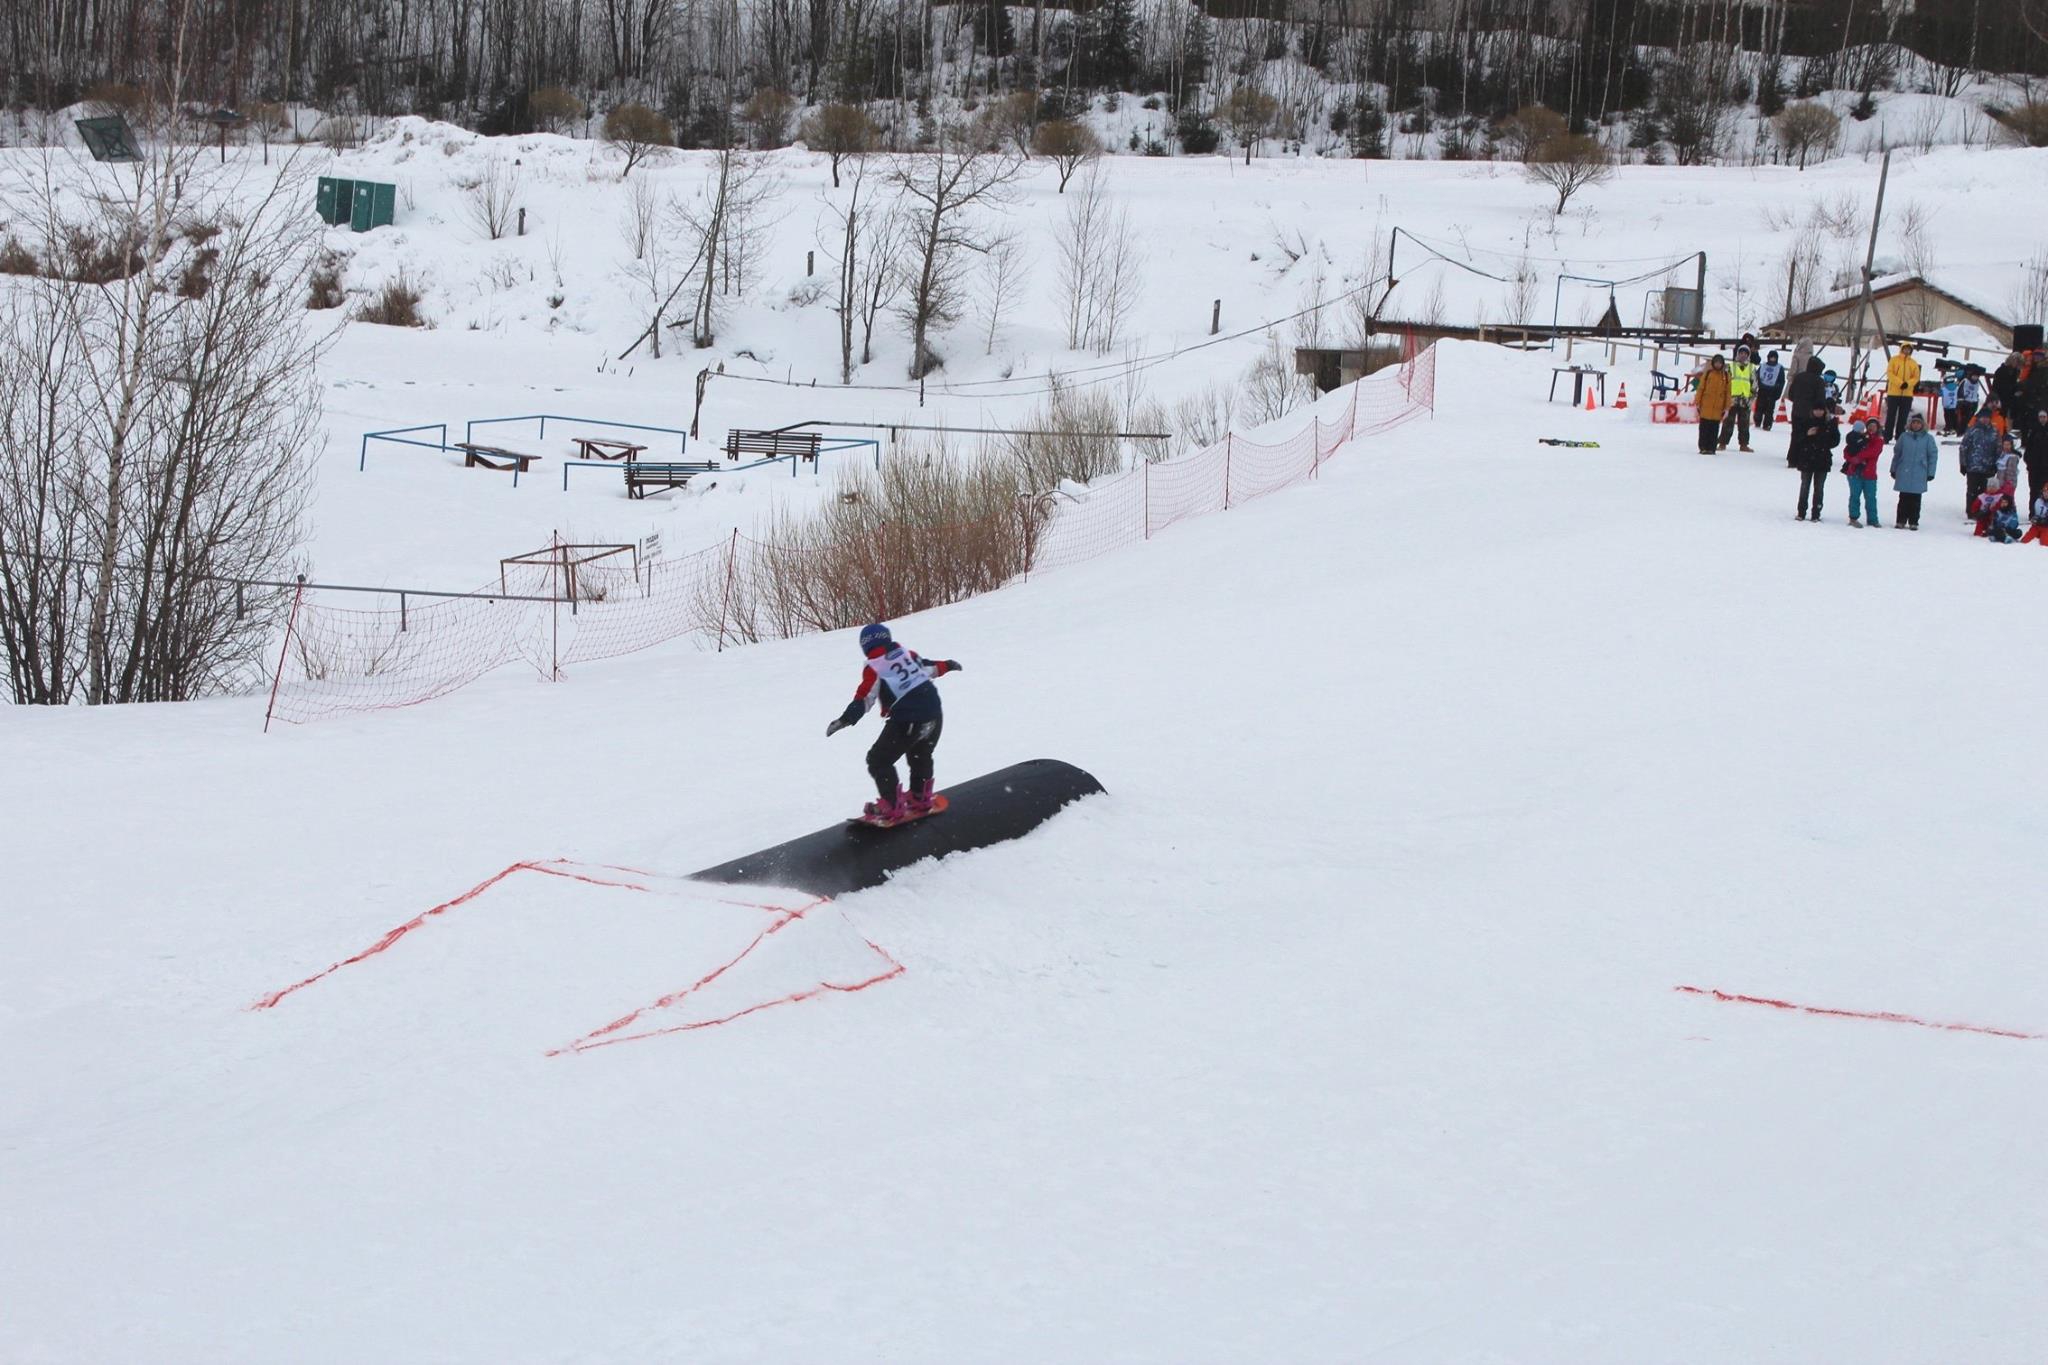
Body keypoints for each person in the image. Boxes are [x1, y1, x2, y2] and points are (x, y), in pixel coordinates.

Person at [826, 622, 963, 822]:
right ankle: (921, 797)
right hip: (934, 713)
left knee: (878, 760)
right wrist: (948, 665)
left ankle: (891, 805)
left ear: (865, 646)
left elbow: (865, 697)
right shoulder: (906, 654)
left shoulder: (874, 665)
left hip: (908, 719)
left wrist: (846, 719)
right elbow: (930, 667)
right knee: (920, 753)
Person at [1789, 401, 1840, 522]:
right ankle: (1801, 512)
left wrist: (1823, 437)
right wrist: (1807, 434)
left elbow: (1835, 440)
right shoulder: (1805, 422)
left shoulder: (1830, 423)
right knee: (1804, 487)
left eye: (1821, 410)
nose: (1818, 412)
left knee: (1819, 488)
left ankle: (1816, 513)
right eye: (1816, 409)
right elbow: (1797, 439)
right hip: (1807, 459)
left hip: (1822, 460)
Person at [1890, 410, 1938, 529]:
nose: (1916, 425)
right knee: (1903, 499)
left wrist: (1931, 472)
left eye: (1918, 423)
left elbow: (1933, 455)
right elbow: (1897, 453)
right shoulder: (1904, 437)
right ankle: (1901, 520)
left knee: (1915, 500)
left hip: (1919, 472)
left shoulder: (1928, 438)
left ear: (1922, 425)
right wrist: (1894, 468)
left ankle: (1913, 521)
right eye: (1914, 423)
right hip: (1904, 471)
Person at [1840, 418, 1885, 527]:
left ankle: (1873, 519)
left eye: (1874, 426)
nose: (1871, 428)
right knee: (1855, 496)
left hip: (1869, 474)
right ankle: (1853, 518)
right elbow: (1847, 451)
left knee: (1870, 498)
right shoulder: (1858, 437)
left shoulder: (1878, 440)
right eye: (1870, 425)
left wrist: (1858, 457)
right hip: (1854, 472)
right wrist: (1852, 459)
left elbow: (1873, 452)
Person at [1959, 410, 2002, 518]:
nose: (1985, 419)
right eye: (1983, 417)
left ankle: (1983, 511)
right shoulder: (1972, 430)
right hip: (1973, 466)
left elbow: (1999, 449)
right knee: (1972, 490)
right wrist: (1963, 464)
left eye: (1987, 417)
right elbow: (1963, 447)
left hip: (1989, 467)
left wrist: (1997, 463)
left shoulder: (1995, 432)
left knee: (1985, 491)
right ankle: (1971, 511)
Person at [1722, 345, 1757, 451]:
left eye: (1745, 353)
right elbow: (1725, 382)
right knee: (1728, 422)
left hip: (1745, 400)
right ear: (1738, 354)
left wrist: (1752, 398)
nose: (1743, 355)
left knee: (1744, 424)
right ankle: (1722, 443)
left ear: (1748, 355)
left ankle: (1744, 444)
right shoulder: (1730, 366)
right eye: (1741, 353)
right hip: (1732, 399)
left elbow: (1754, 384)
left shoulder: (1752, 367)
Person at [1883, 342, 1920, 441]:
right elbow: (1890, 374)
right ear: (1902, 349)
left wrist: (1908, 384)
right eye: (1905, 349)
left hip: (1907, 394)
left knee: (1903, 417)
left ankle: (1900, 436)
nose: (1907, 351)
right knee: (1891, 416)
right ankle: (1887, 436)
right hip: (1894, 393)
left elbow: (1916, 377)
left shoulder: (1913, 363)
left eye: (1909, 349)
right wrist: (1900, 383)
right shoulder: (1894, 360)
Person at [1695, 354, 1731, 455]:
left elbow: (1728, 393)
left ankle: (1711, 448)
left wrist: (1727, 407)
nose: (1718, 364)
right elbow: (1701, 388)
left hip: (1718, 408)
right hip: (1705, 407)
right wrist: (1697, 402)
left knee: (1714, 429)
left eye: (1720, 363)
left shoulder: (1726, 376)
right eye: (1716, 362)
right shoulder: (1708, 374)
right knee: (1704, 429)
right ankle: (1703, 447)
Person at [1755, 350, 1786, 431]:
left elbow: (1781, 381)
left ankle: (1767, 425)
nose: (1772, 359)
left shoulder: (1779, 368)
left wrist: (1778, 393)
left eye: (1774, 358)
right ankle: (1757, 423)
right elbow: (1756, 376)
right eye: (1771, 357)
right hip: (1762, 390)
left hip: (1772, 392)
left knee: (1769, 410)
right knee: (1759, 408)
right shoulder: (1763, 366)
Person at [2024, 407, 2048, 505]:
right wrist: (2029, 461)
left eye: (2044, 417)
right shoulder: (2034, 430)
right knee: (2033, 490)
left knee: (2045, 489)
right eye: (2040, 417)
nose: (2042, 419)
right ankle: (2033, 512)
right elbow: (2028, 448)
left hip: (2046, 467)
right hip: (2034, 466)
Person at [1956, 366, 1984, 431]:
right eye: (1974, 376)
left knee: (1971, 418)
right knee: (1963, 418)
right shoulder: (1965, 381)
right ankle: (1961, 431)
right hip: (1965, 402)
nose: (1975, 378)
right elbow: (1960, 391)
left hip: (1973, 402)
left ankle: (1967, 430)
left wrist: (1976, 401)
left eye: (1977, 376)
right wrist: (1961, 400)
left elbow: (1975, 393)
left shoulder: (1977, 383)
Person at [1938, 369, 1960, 435]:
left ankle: (1948, 427)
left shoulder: (1943, 388)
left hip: (1946, 405)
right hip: (1954, 405)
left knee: (1947, 416)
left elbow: (1939, 393)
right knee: (1954, 416)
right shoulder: (1957, 387)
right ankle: (1954, 427)